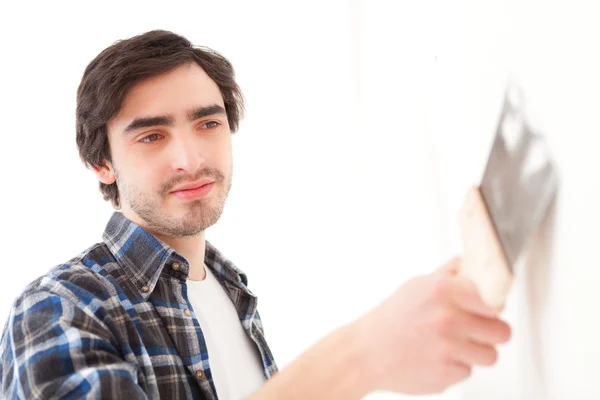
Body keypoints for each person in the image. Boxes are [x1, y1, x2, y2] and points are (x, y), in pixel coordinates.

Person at [0, 29, 511, 400]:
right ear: (101, 163)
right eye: (152, 135)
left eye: (207, 123)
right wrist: (364, 355)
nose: (191, 158)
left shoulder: (231, 291)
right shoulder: (57, 309)